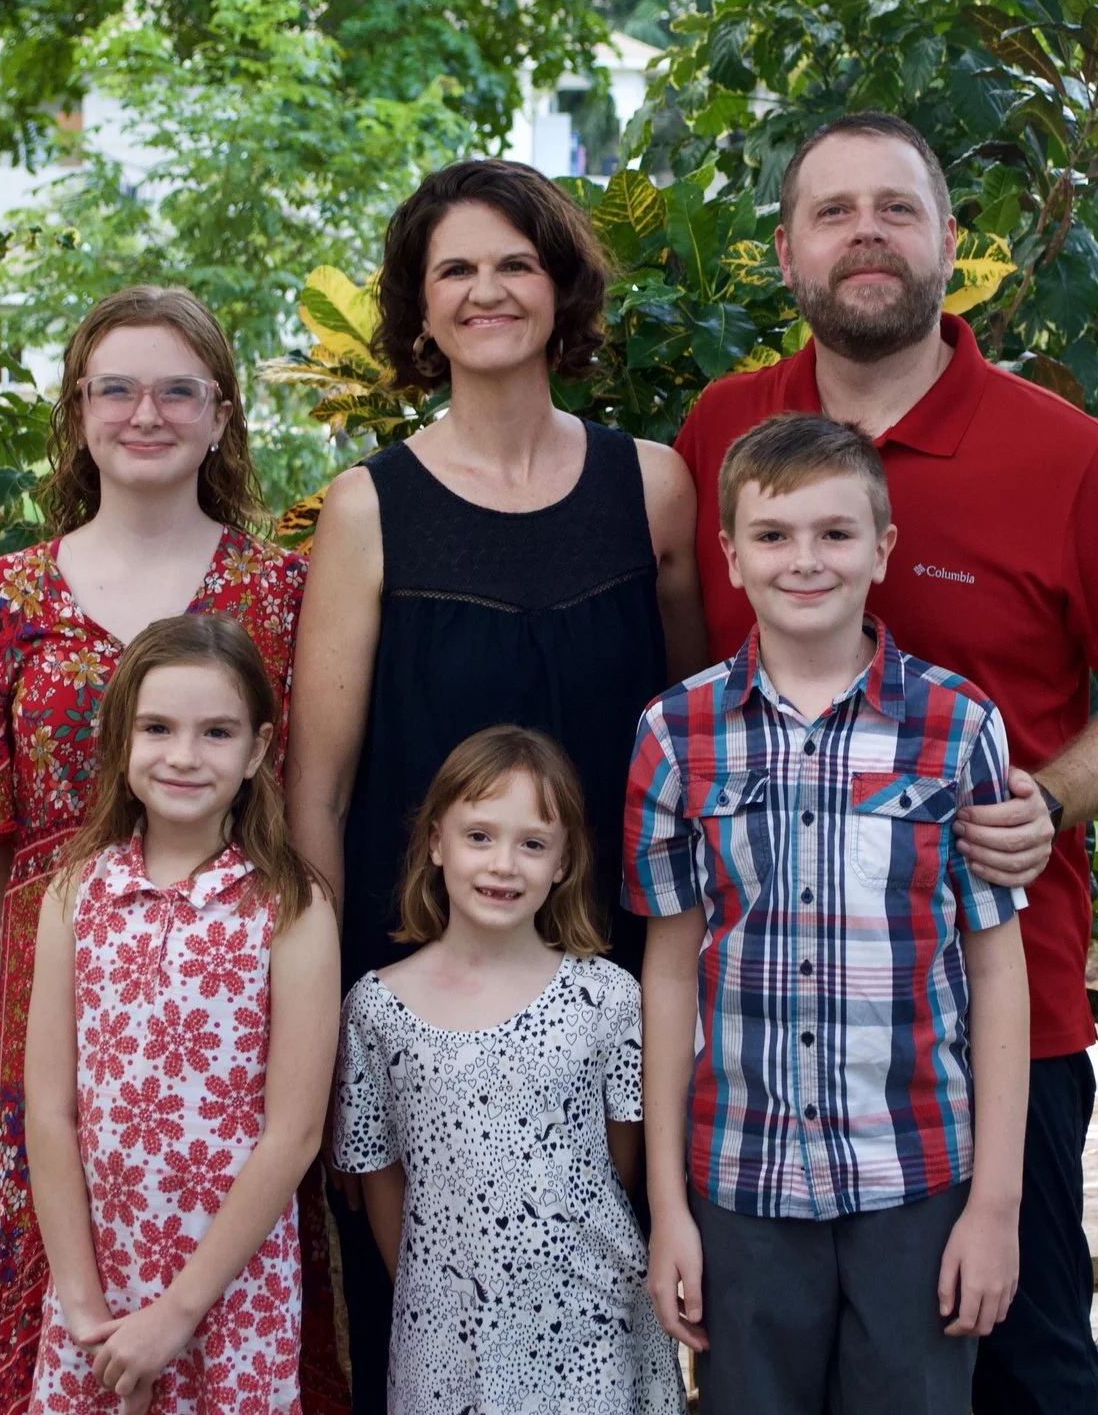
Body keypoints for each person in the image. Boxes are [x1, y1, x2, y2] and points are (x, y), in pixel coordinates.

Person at [668, 114, 1098, 1412]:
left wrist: (1048, 798)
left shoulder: (1057, 450)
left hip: (993, 1004)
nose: (868, 233)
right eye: (835, 210)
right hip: (774, 1025)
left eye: (898, 209)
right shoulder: (722, 433)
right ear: (787, 251)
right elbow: (691, 681)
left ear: (950, 245)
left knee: (1022, 1360)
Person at [286, 159, 703, 1407]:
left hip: (621, 956)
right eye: (453, 269)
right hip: (420, 968)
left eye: (514, 261)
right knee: (424, 1299)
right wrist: (327, 992)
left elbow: (695, 731)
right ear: (417, 312)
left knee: (615, 1275)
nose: (486, 290)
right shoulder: (369, 509)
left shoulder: (653, 486)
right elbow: (318, 785)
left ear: (559, 286)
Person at [0, 285, 323, 1415]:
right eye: (117, 389)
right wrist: (60, 955)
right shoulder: (5, 593)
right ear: (78, 410)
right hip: (66, 974)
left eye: (178, 389)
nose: (147, 413)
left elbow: (303, 786)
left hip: (234, 983)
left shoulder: (280, 589)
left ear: (222, 415)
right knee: (57, 1269)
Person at [627, 412, 1030, 1413]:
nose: (804, 559)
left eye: (835, 533)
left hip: (918, 1179)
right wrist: (669, 1208)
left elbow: (995, 971)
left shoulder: (956, 725)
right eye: (772, 535)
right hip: (740, 1183)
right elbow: (670, 971)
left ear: (882, 550)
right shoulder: (675, 736)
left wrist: (994, 1208)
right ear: (728, 555)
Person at [23, 614, 340, 1415]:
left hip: (229, 1296)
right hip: (96, 1291)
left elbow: (294, 1133)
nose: (185, 756)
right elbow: (50, 1110)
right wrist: (84, 1309)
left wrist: (177, 1314)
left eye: (217, 731)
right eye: (158, 728)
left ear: (260, 750)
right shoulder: (75, 893)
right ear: (121, 738)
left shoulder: (291, 908)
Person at [329, 726, 684, 1415]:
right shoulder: (377, 1008)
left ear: (563, 861)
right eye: (480, 836)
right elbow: (379, 1176)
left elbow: (622, 1162)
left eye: (532, 843)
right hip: (445, 1339)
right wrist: (443, 1294)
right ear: (436, 843)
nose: (503, 864)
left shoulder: (606, 998)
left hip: (590, 1326)